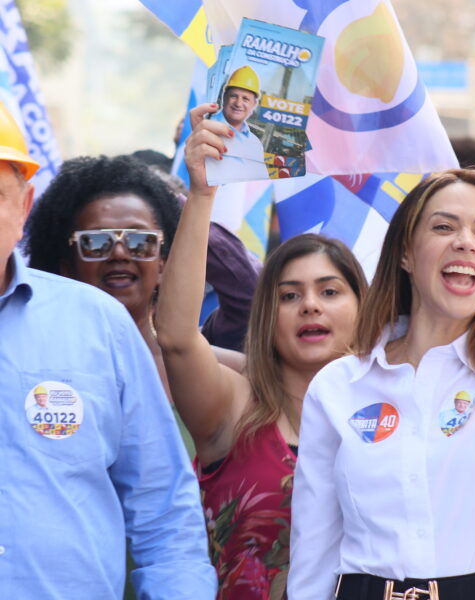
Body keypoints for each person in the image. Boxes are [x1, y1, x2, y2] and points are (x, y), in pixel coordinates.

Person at [0, 104, 217, 598]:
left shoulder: (99, 326)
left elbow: (164, 518)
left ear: (24, 206)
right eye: (98, 242)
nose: (120, 253)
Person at [154, 103, 368, 599]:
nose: (310, 306)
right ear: (266, 316)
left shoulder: (398, 407)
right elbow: (178, 338)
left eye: (330, 291)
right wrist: (203, 194)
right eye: (289, 295)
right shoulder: (235, 408)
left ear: (365, 306)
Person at [288, 168, 475, 600]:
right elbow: (315, 547)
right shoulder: (338, 385)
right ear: (405, 253)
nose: (466, 241)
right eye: (443, 227)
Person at [207, 66, 269, 184]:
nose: (238, 103)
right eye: (233, 96)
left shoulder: (255, 145)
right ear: (224, 97)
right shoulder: (206, 127)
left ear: (254, 104)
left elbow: (258, 185)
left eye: (245, 99)